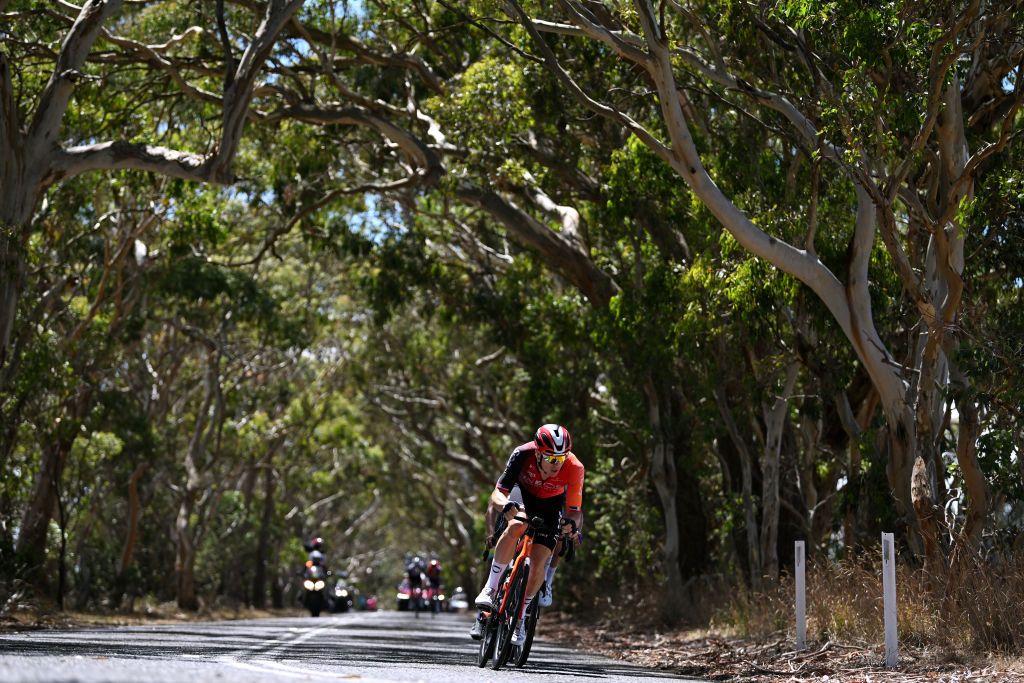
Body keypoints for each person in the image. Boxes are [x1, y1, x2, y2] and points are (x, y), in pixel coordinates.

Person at [469, 423, 583, 645]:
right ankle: (490, 589)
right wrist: (505, 506)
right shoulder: (522, 453)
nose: (556, 465)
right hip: (523, 494)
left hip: (551, 503)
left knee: (541, 558)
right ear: (538, 453)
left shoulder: (575, 467)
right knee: (516, 525)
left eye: (561, 459)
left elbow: (575, 511)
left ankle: (520, 618)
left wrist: (571, 524)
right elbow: (496, 495)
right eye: (551, 459)